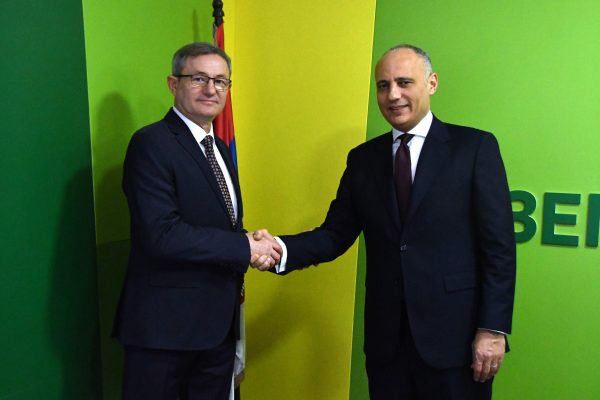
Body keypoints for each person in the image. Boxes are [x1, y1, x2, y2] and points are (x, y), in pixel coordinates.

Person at [257, 44, 516, 399]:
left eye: (404, 82)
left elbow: (499, 249)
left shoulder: (474, 148)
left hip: (456, 342)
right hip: (387, 347)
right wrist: (278, 249)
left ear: (432, 83)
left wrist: (493, 328)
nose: (393, 95)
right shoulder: (363, 159)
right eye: (383, 85)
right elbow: (334, 235)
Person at [113, 42, 281, 400]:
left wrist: (250, 241)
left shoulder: (218, 148)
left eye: (221, 81)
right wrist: (244, 247)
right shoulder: (151, 143)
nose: (211, 89)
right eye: (199, 78)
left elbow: (218, 226)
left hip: (217, 330)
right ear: (173, 84)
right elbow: (161, 234)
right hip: (164, 333)